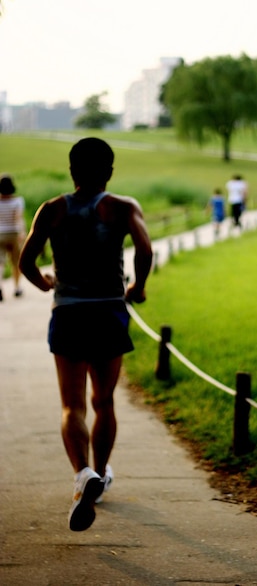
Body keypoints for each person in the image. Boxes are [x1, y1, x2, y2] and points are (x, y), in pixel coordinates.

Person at [19, 137, 153, 532]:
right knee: (104, 401)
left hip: (70, 313)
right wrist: (139, 286)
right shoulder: (124, 207)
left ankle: (83, 474)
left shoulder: (52, 209)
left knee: (71, 406)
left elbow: (27, 260)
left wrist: (45, 283)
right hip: (109, 310)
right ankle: (99, 472)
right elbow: (144, 250)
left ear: (72, 170)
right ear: (109, 171)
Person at [0, 174, 26, 300]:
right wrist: (22, 233)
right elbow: (18, 218)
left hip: (0, 234)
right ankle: (17, 288)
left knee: (0, 263)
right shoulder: (17, 201)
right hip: (14, 234)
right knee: (16, 262)